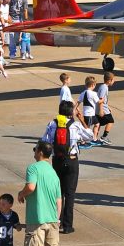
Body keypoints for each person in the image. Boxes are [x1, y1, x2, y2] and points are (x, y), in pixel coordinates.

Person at [40, 100, 92, 234]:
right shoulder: (75, 125)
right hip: (72, 161)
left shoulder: (52, 124)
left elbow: (44, 141)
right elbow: (90, 136)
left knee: (58, 193)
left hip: (57, 160)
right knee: (70, 194)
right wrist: (82, 119)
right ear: (71, 112)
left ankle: (57, 221)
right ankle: (67, 225)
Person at [17, 141, 63, 246]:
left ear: (40, 152)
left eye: (35, 148)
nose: (34, 151)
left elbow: (31, 187)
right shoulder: (53, 172)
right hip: (52, 218)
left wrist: (21, 194)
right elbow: (59, 198)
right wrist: (57, 217)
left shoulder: (33, 168)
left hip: (37, 217)